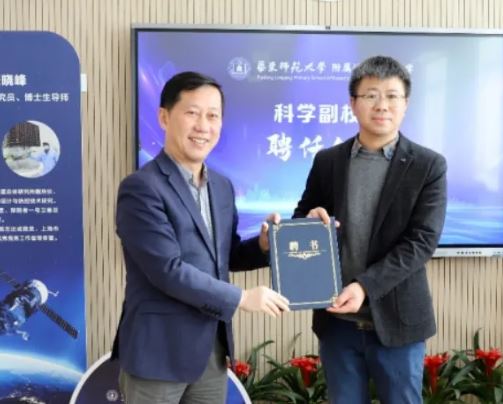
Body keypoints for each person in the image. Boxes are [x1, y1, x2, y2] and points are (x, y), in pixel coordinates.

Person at [111, 71, 290, 404]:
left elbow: (225, 256)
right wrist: (241, 298)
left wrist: (263, 245)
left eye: (213, 115)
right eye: (192, 113)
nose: (203, 126)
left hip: (211, 350)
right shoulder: (141, 188)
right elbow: (167, 270)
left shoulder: (221, 186)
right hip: (158, 354)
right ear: (164, 117)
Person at [293, 56, 447, 404]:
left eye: (392, 96)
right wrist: (309, 220)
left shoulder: (428, 165)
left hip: (398, 322)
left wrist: (364, 286)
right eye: (371, 95)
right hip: (337, 322)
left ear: (405, 104)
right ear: (353, 103)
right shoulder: (328, 161)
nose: (382, 105)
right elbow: (302, 216)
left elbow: (422, 242)